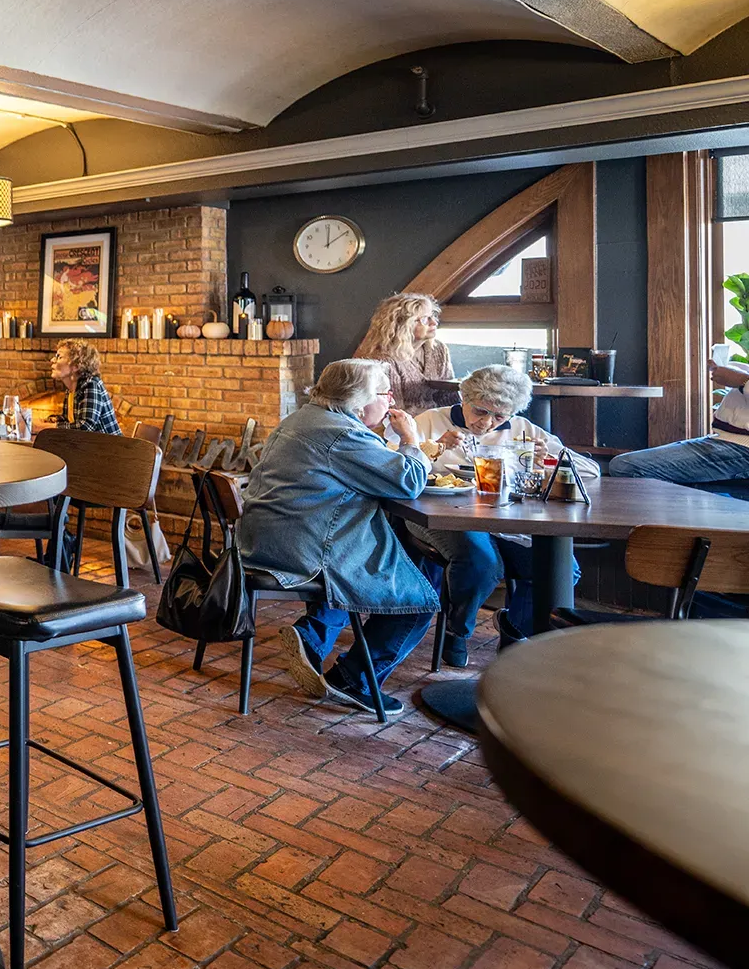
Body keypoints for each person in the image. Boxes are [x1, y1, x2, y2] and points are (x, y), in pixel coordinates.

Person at [237, 358, 437, 716]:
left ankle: (312, 637)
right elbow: (407, 482)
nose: (390, 401)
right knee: (418, 601)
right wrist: (411, 440)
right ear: (358, 400)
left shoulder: (303, 418)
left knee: (373, 565)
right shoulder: (342, 434)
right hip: (304, 548)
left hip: (263, 538)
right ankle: (354, 679)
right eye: (384, 393)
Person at [411, 365, 592, 665]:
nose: (488, 423)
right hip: (447, 517)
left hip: (507, 521)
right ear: (463, 398)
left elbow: (589, 471)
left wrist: (546, 460)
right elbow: (397, 462)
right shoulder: (430, 421)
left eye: (499, 416)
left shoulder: (522, 429)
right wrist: (435, 447)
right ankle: (458, 631)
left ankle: (516, 634)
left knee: (559, 566)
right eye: (481, 412)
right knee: (482, 560)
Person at [608, 356, 749, 493]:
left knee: (625, 467)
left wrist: (743, 380)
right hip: (725, 440)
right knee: (623, 466)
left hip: (742, 448)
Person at [353, 292, 452, 415]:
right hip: (405, 426)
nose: (434, 323)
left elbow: (449, 396)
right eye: (425, 319)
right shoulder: (383, 359)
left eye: (433, 316)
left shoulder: (439, 349)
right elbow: (394, 412)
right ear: (403, 324)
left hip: (440, 420)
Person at [49, 339, 119, 434]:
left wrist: (50, 427)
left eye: (59, 357)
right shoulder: (71, 389)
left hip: (110, 447)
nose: (52, 360)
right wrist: (54, 419)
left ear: (76, 365)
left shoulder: (91, 384)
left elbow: (86, 426)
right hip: (91, 446)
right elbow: (71, 421)